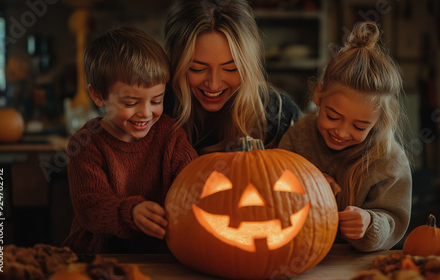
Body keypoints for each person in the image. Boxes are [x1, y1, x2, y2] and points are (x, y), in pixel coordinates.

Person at [62, 26, 198, 254]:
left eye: (156, 100)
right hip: (98, 256)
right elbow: (90, 205)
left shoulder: (170, 134)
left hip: (160, 256)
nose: (145, 113)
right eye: (130, 103)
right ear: (98, 95)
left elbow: (193, 182)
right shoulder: (85, 144)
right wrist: (130, 213)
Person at [278, 21, 412, 252]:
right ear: (318, 95)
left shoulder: (389, 160)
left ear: (378, 121)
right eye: (332, 116)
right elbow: (274, 185)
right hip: (298, 250)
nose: (341, 132)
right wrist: (310, 182)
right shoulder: (298, 136)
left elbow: (393, 220)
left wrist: (370, 222)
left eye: (359, 126)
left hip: (354, 261)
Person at [163, 0, 301, 155]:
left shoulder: (280, 115)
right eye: (197, 69)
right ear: (176, 63)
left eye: (231, 69)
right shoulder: (158, 110)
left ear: (249, 66)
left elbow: (309, 174)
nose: (214, 85)